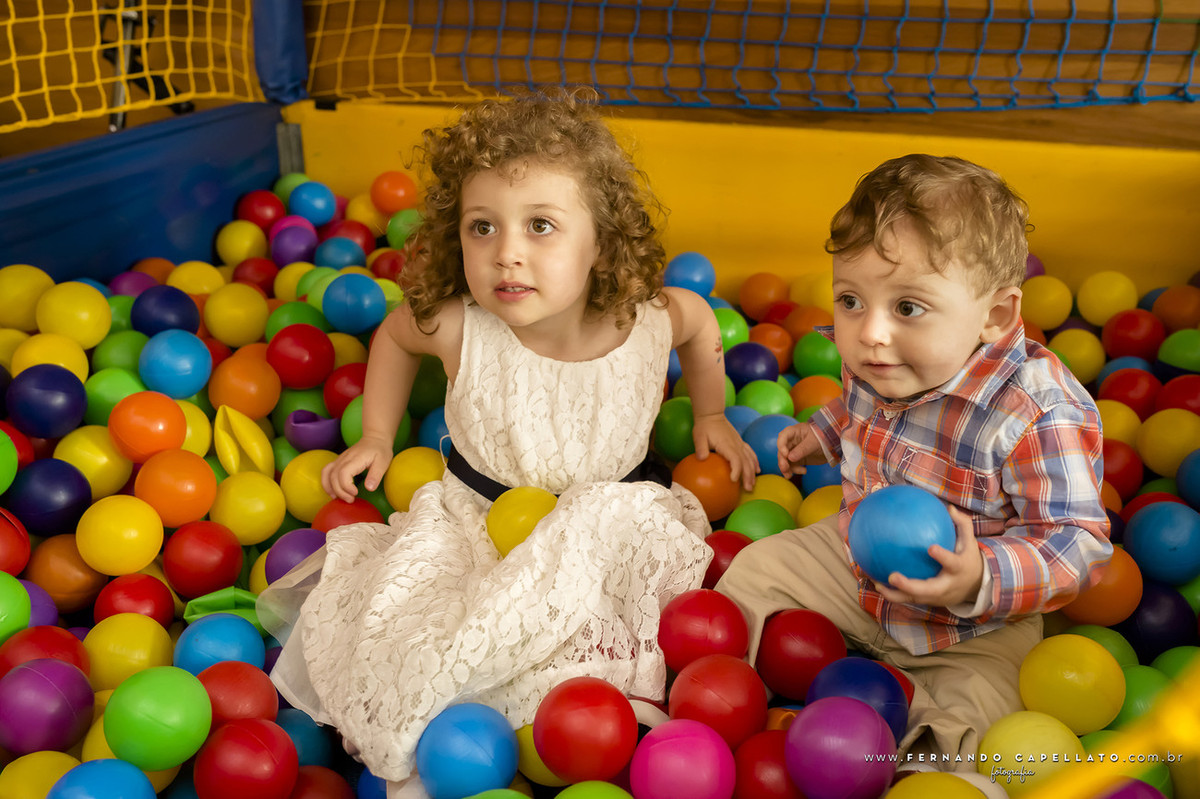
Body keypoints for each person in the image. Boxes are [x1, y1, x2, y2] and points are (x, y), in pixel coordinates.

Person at [257, 87, 758, 794]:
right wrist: (375, 434)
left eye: (541, 226)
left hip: (609, 526)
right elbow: (395, 338)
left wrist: (712, 416)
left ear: (601, 242)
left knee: (615, 657)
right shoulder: (463, 327)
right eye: (482, 227)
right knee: (430, 646)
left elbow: (702, 326)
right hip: (483, 529)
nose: (506, 254)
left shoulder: (648, 319)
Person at [716, 154, 1112, 785]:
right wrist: (821, 434)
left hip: (975, 627)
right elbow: (863, 410)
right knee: (752, 572)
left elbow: (1077, 541)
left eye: (908, 307)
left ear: (995, 316)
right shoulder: (884, 358)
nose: (871, 333)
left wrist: (979, 576)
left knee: (986, 721)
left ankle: (908, 770)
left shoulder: (1036, 412)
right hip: (852, 566)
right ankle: (723, 702)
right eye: (850, 300)